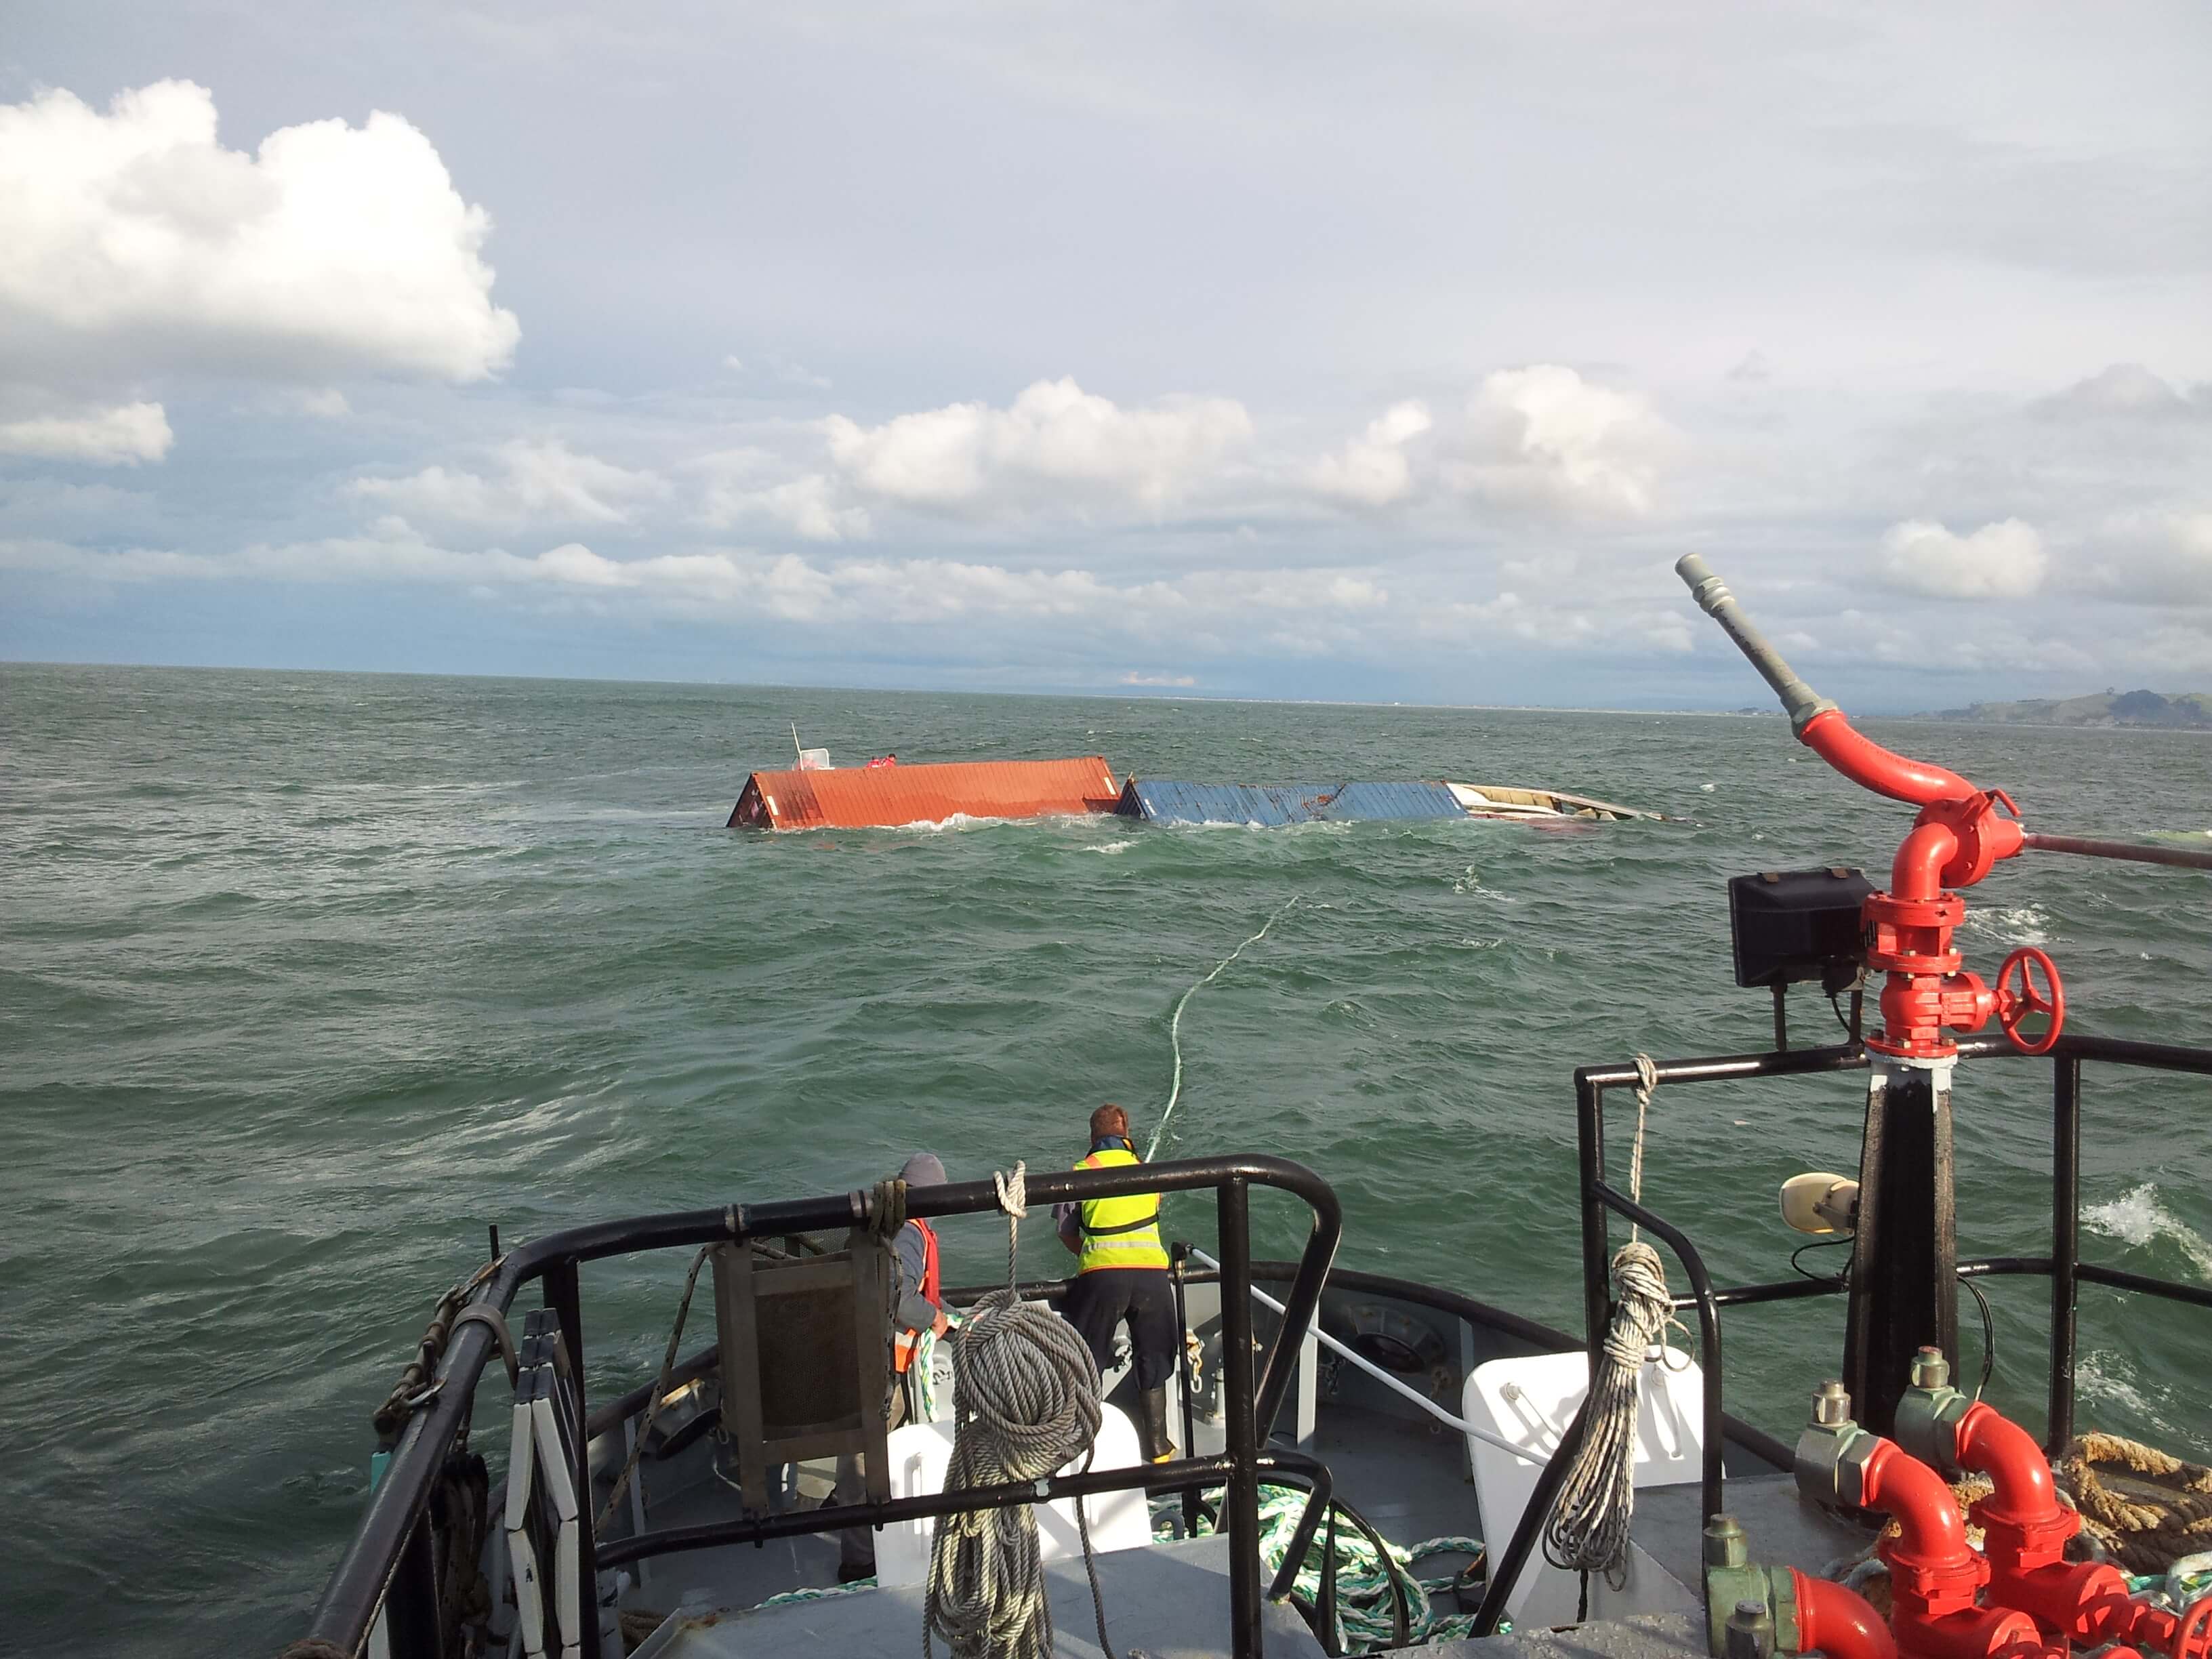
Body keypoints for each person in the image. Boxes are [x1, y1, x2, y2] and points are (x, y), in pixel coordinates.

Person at [836, 1151, 950, 1580]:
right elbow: (896, 1295)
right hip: (873, 1364)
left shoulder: (892, 1227)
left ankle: (870, 1525)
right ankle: (859, 1560)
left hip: (880, 1362)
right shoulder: (911, 1235)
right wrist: (933, 1318)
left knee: (883, 1442)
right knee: (864, 1458)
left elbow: (909, 1287)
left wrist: (944, 1312)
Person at [1054, 1104, 1179, 1463]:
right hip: (1152, 1276)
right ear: (1126, 1135)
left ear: (1093, 1136)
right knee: (1154, 1357)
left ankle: (1081, 1445)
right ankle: (1158, 1446)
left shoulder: (1081, 1172)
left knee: (1086, 1359)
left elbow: (1065, 1231)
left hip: (1103, 1277)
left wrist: (1090, 1252)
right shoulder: (1147, 1172)